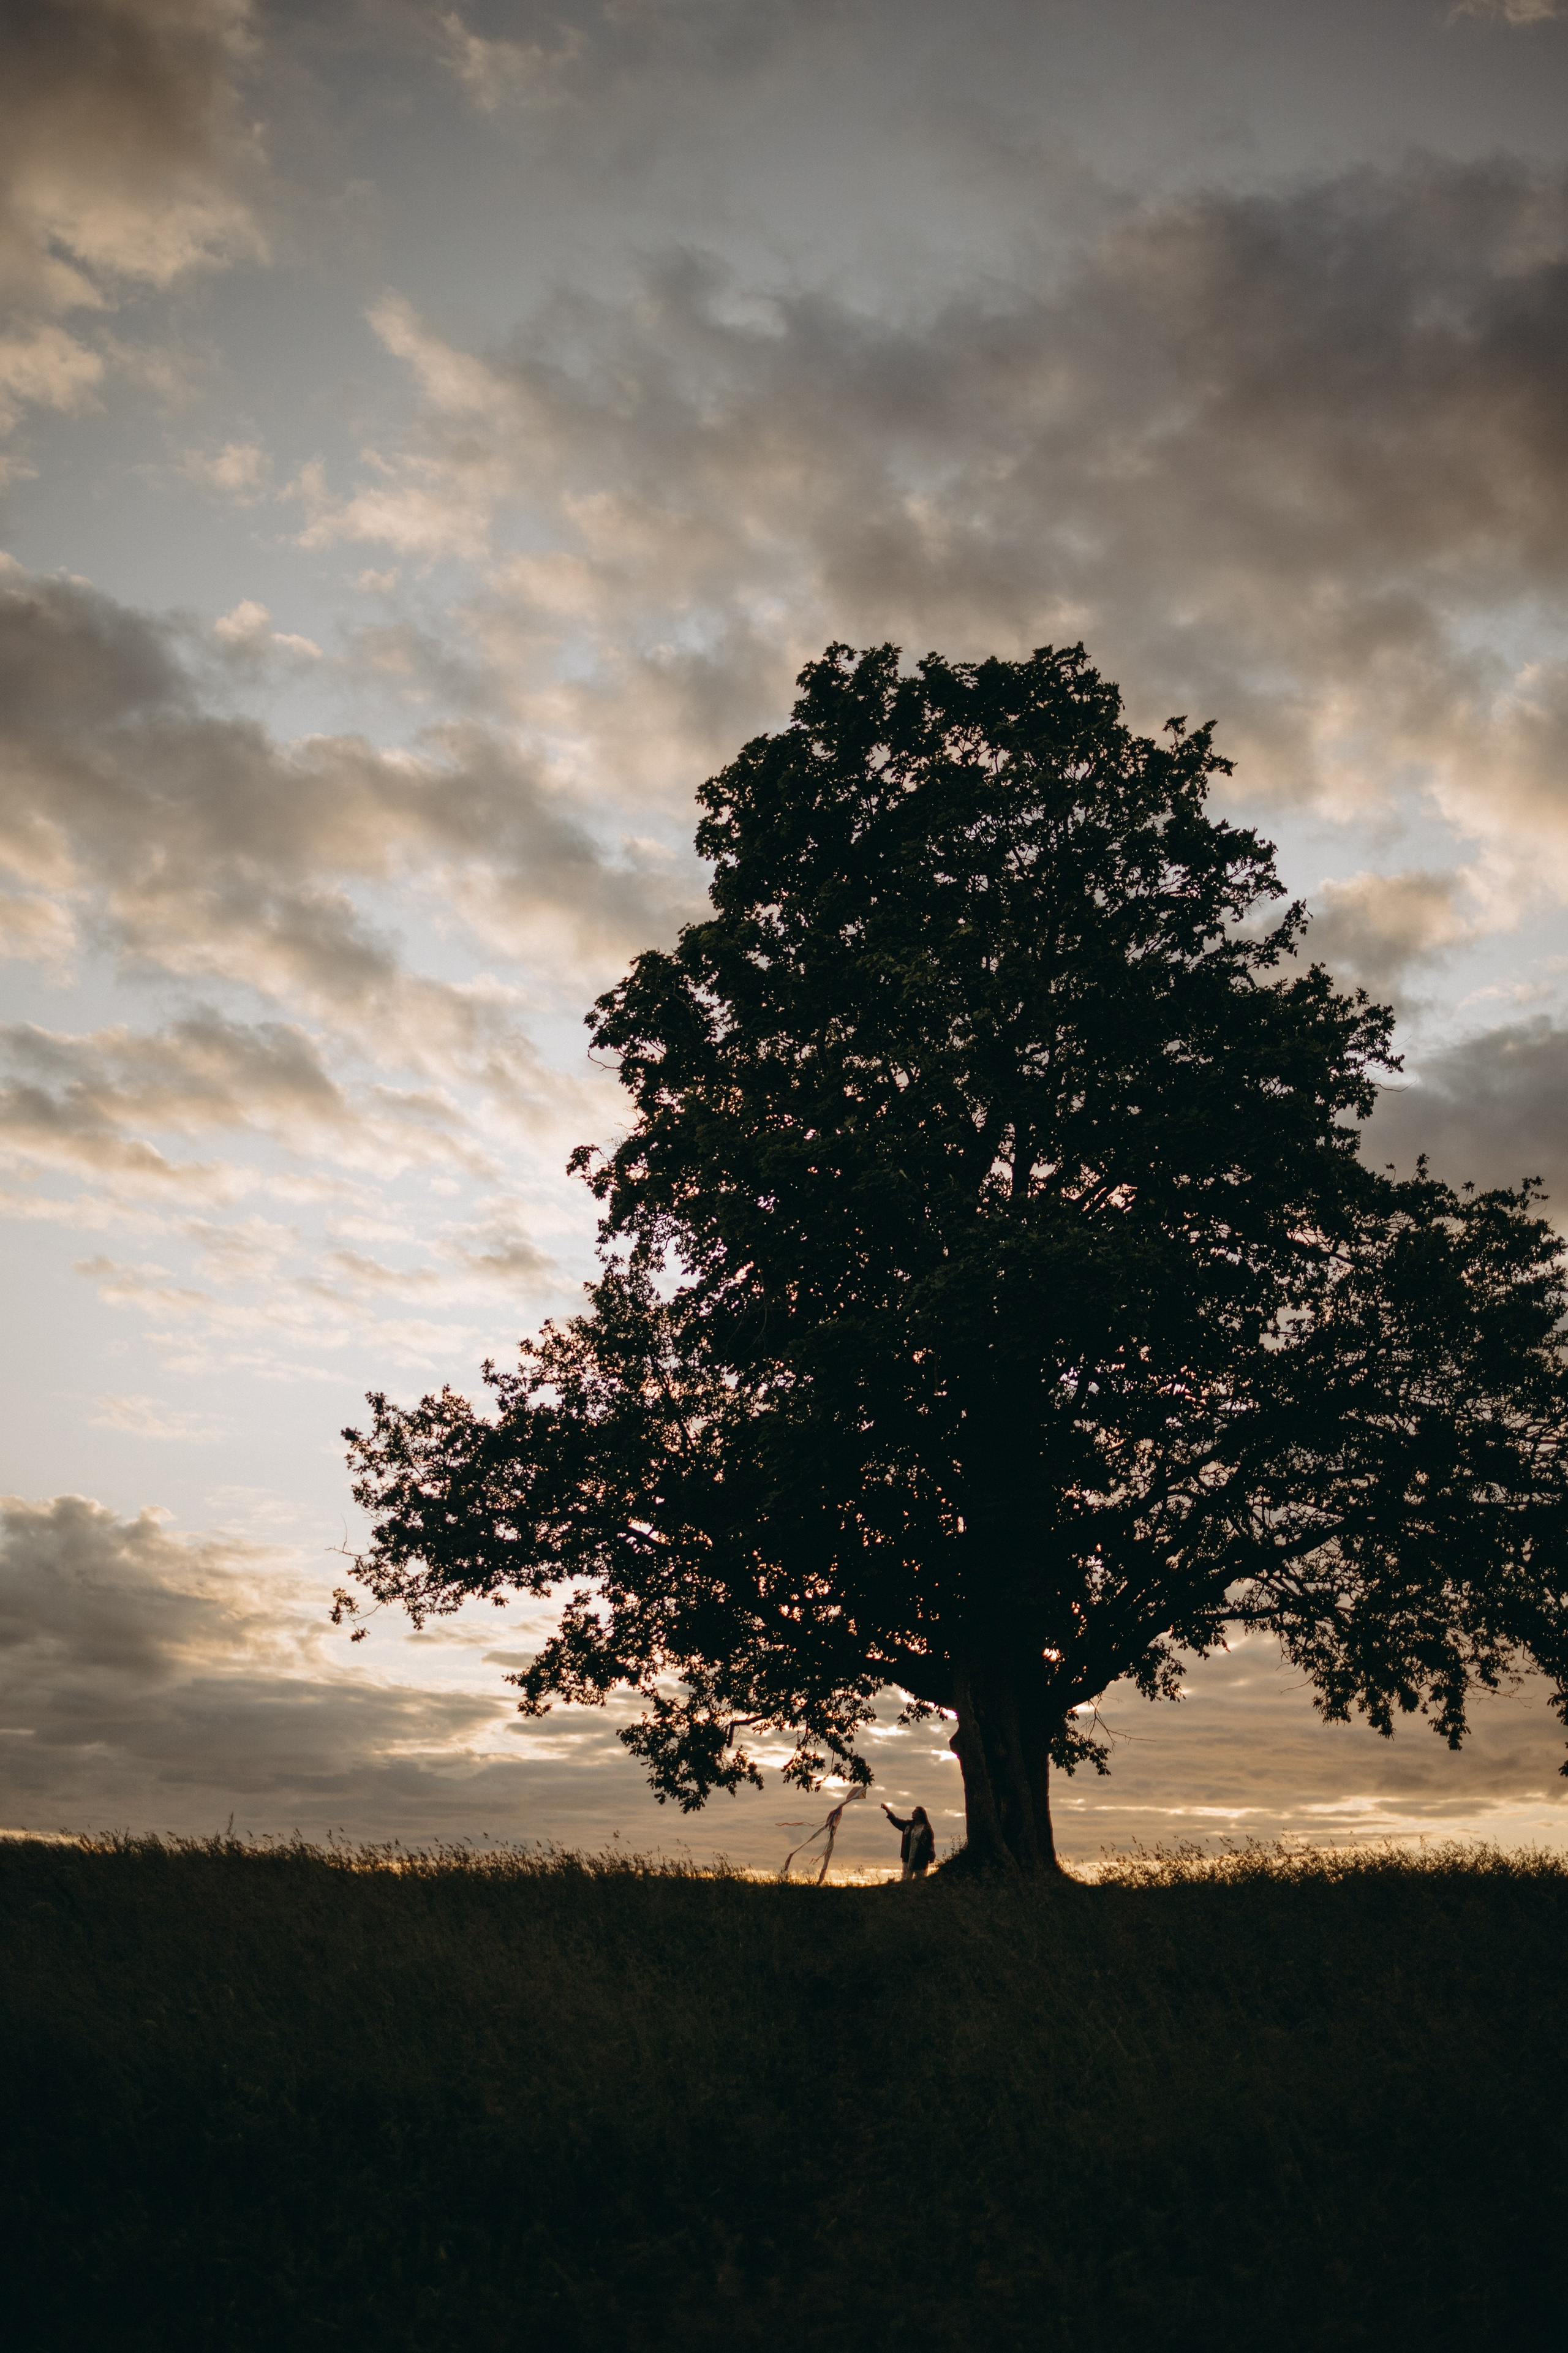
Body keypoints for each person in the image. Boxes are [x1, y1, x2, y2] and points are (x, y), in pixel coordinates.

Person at [883, 1802, 935, 1881]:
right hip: (908, 1857)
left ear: (920, 1815)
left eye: (915, 1812)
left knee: (920, 1880)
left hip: (920, 1859)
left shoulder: (927, 1829)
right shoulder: (908, 1825)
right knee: (906, 1880)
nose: (913, 1813)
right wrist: (887, 1810)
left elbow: (930, 1843)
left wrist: (931, 1853)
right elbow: (897, 1821)